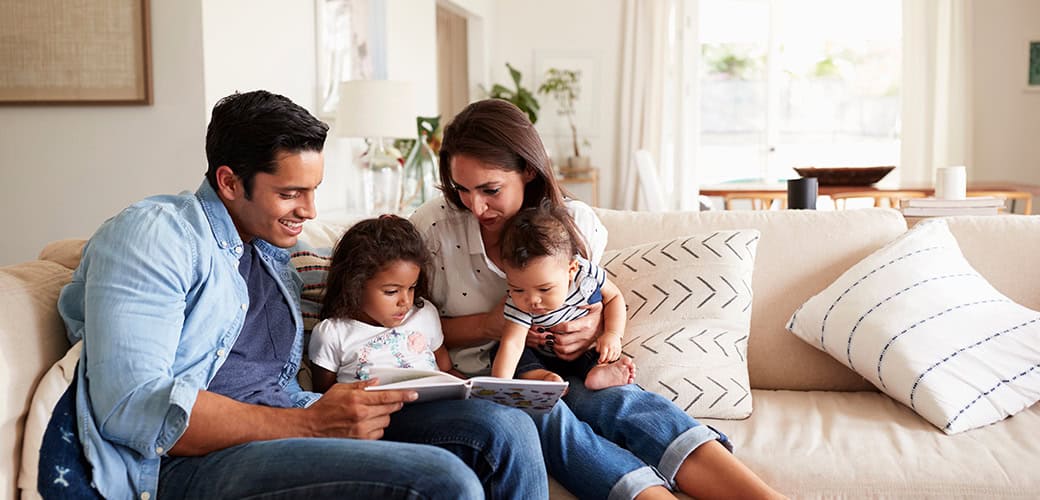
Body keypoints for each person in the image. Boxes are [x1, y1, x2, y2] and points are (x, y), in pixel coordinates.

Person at [49, 90, 546, 500]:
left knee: (505, 427)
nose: (309, 211)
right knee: (443, 481)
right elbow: (132, 405)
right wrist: (309, 424)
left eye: (313, 191)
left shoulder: (271, 252)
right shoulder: (155, 235)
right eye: (290, 194)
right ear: (229, 182)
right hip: (191, 462)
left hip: (296, 419)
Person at [411, 98, 784, 499]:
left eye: (491, 190)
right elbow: (403, 330)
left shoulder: (573, 223)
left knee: (620, 402)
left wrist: (592, 330)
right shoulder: (433, 228)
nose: (476, 206)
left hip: (567, 363)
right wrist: (490, 325)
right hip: (485, 376)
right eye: (462, 190)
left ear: (528, 170)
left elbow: (593, 299)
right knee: (545, 415)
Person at [492, 203, 636, 390]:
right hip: (541, 357)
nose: (532, 300)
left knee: (599, 351)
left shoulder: (585, 276)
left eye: (544, 289)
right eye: (518, 289)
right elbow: (513, 344)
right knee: (502, 350)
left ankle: (598, 372)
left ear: (571, 269)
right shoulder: (518, 303)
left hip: (583, 350)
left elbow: (614, 297)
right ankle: (540, 377)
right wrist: (498, 387)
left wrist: (613, 334)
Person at [309, 215, 456, 390]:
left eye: (412, 287)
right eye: (391, 291)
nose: (406, 301)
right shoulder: (333, 334)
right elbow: (325, 396)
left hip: (437, 402)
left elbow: (446, 370)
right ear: (355, 286)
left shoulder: (424, 313)